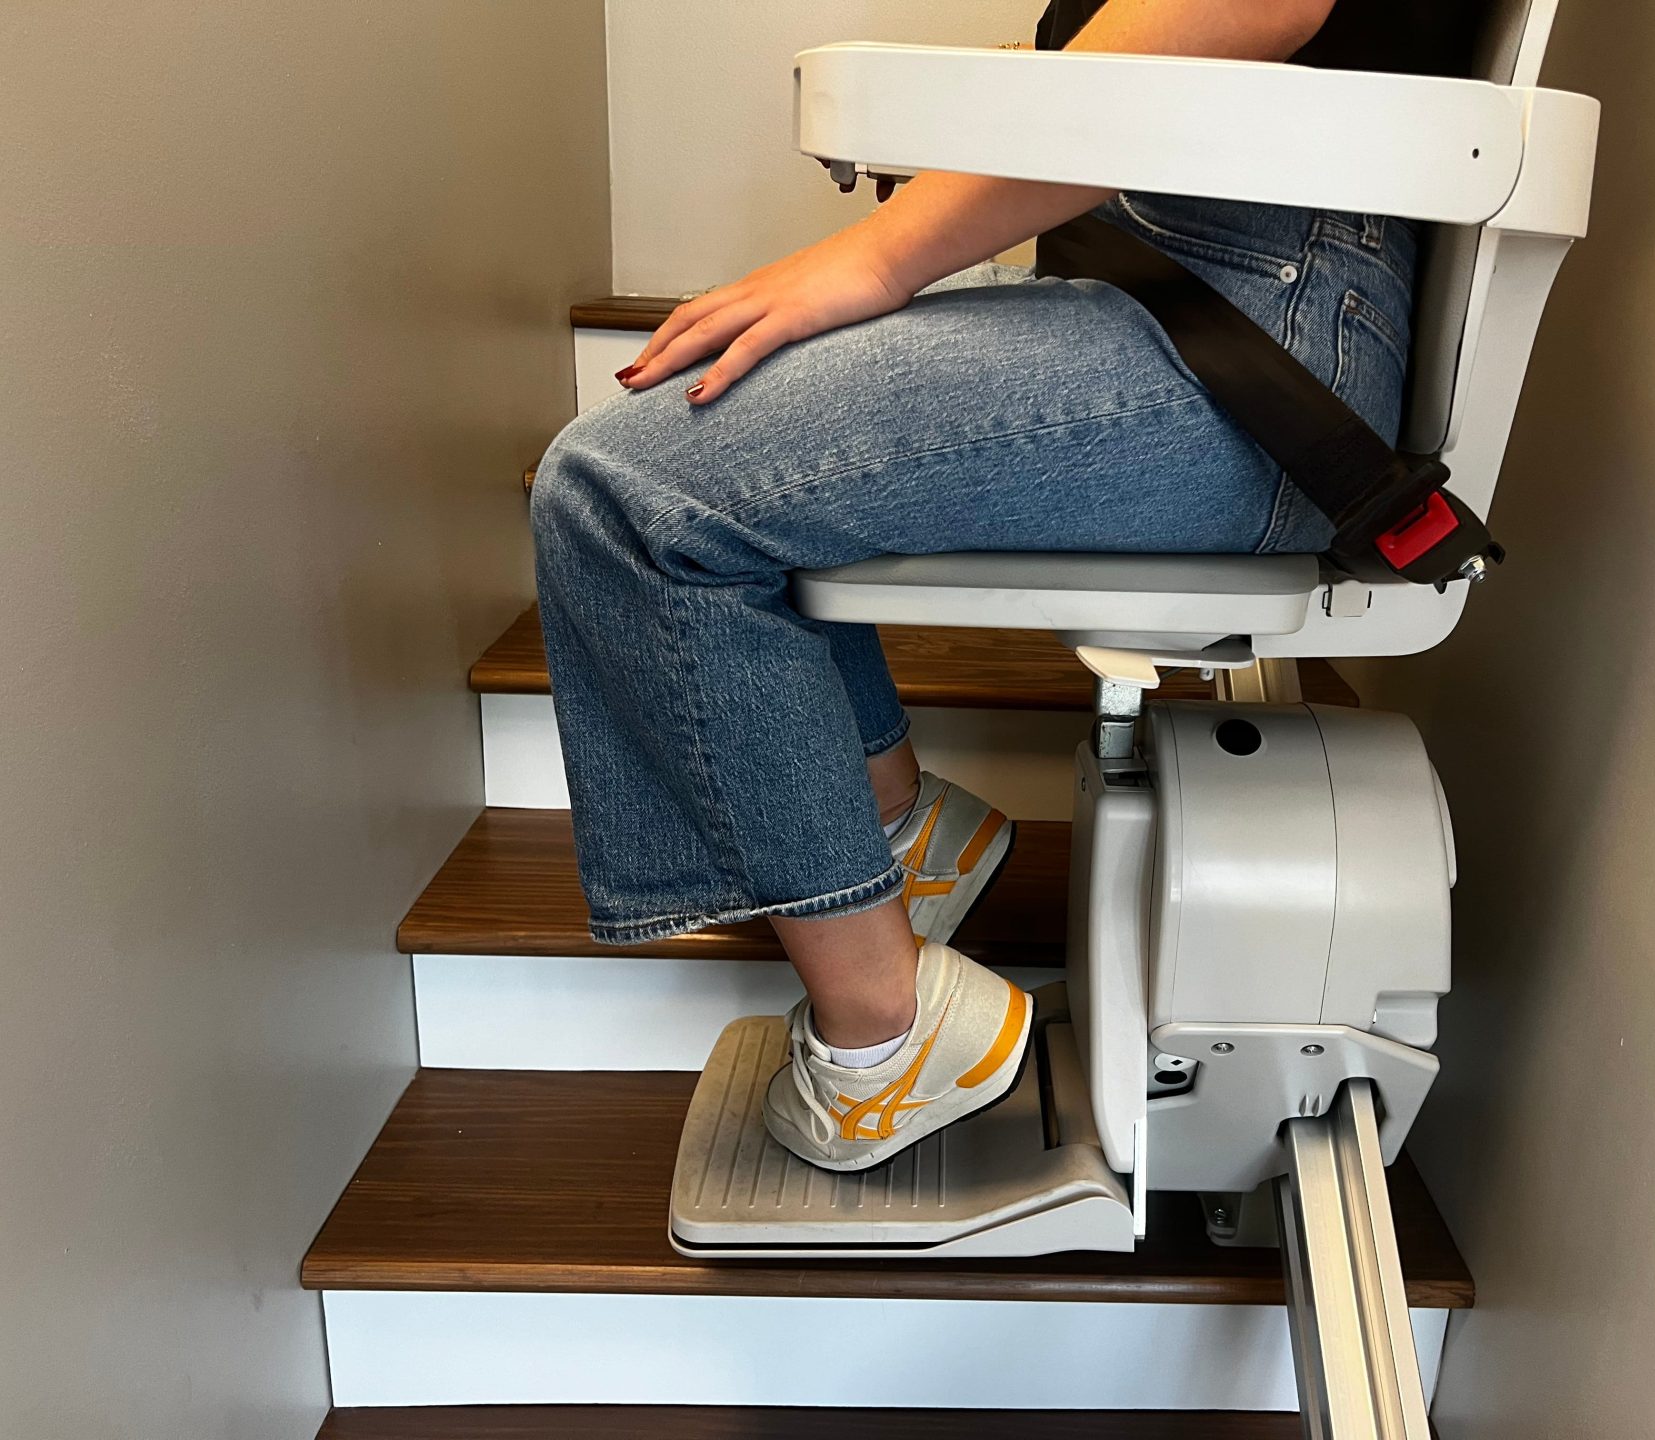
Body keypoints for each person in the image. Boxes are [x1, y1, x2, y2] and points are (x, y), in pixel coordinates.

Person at [531, 0, 1479, 1172]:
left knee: (624, 491)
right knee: (684, 470)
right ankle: (896, 834)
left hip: (1254, 356)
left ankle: (887, 1033)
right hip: (1178, 281)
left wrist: (877, 256)